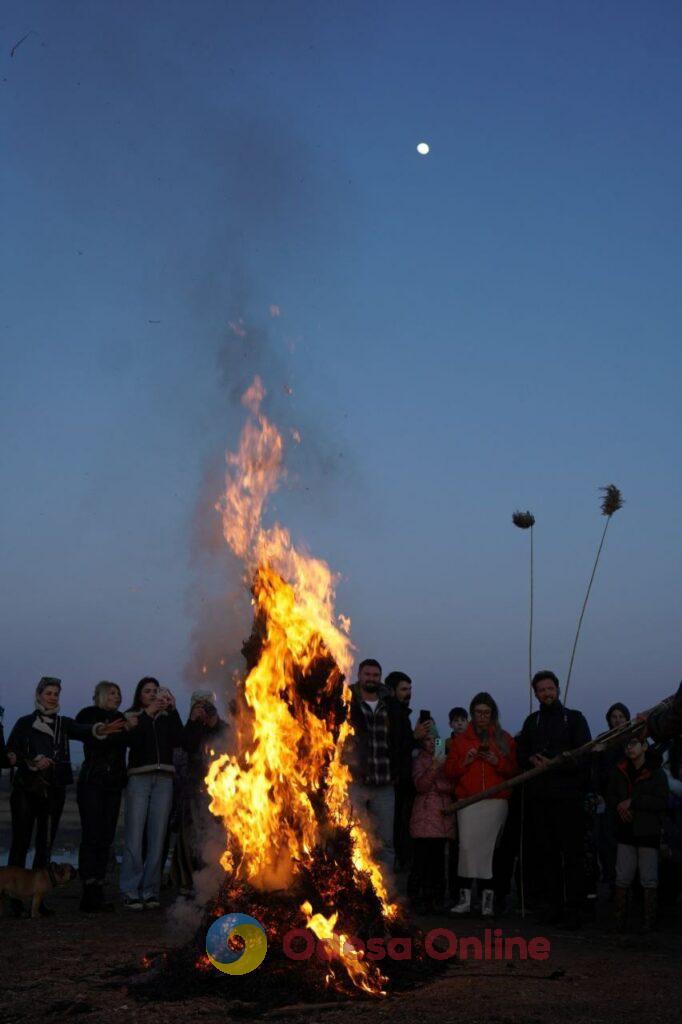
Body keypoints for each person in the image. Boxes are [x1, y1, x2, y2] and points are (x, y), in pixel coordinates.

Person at [6, 677, 124, 890]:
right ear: (39, 695)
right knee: (20, 844)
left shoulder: (64, 723)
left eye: (56, 694)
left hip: (54, 791)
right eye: (48, 693)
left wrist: (101, 730)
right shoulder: (24, 723)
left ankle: (38, 895)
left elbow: (82, 729)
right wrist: (33, 760)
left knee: (46, 845)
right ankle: (12, 893)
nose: (52, 698)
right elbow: (10, 753)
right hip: (26, 790)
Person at [516, 670, 591, 928]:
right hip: (540, 800)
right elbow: (521, 751)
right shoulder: (532, 722)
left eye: (550, 688)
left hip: (568, 800)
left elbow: (585, 756)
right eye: (541, 690)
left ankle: (575, 909)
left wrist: (556, 763)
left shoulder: (575, 719)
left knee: (572, 855)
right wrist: (531, 759)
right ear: (535, 693)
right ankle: (553, 906)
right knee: (545, 854)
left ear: (557, 689)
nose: (546, 693)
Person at [444, 692, 516, 917]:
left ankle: (488, 901)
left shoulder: (505, 739)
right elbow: (449, 771)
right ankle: (465, 900)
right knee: (466, 850)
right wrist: (466, 761)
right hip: (468, 801)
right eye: (478, 712)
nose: (482, 716)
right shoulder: (459, 741)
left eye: (486, 712)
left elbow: (514, 769)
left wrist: (498, 762)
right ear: (472, 713)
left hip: (496, 801)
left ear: (493, 713)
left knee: (490, 852)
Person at [345, 659, 414, 882]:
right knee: (353, 836)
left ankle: (386, 890)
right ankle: (354, 888)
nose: (371, 679)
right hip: (356, 782)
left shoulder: (391, 706)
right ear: (359, 675)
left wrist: (398, 773)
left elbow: (403, 742)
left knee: (385, 841)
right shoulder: (347, 701)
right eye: (368, 674)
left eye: (376, 675)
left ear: (380, 678)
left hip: (385, 784)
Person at [119, 677, 183, 911]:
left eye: (156, 691)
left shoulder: (167, 717)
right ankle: (129, 890)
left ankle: (150, 890)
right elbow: (131, 741)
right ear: (139, 695)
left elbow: (180, 740)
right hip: (139, 778)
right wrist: (146, 715)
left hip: (164, 779)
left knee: (158, 838)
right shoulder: (132, 716)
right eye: (147, 691)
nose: (153, 694)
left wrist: (174, 710)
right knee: (135, 836)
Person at [75, 681, 137, 912]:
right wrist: (116, 730)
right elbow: (91, 737)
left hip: (113, 785)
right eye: (112, 693)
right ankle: (88, 891)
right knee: (91, 835)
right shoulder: (88, 714)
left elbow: (129, 742)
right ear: (100, 694)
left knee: (106, 836)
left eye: (119, 693)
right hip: (92, 782)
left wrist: (129, 729)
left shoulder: (122, 718)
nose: (117, 697)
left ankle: (98, 888)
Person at [608, 733, 668, 932]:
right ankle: (619, 920)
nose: (629, 748)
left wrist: (633, 802)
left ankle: (649, 921)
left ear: (644, 746)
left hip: (647, 831)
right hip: (626, 830)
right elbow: (612, 795)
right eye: (627, 744)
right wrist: (620, 806)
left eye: (634, 744)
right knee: (622, 876)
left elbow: (661, 801)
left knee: (649, 878)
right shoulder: (620, 770)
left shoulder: (656, 773)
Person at [170, 689, 228, 895]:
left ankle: (212, 879)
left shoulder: (220, 727)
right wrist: (195, 721)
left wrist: (213, 720)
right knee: (190, 837)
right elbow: (187, 744)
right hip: (192, 789)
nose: (203, 708)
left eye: (207, 704)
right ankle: (187, 881)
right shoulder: (190, 727)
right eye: (199, 704)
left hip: (218, 791)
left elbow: (229, 740)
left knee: (214, 836)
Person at [409, 734, 456, 912]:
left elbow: (451, 785)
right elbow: (420, 785)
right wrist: (435, 768)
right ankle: (417, 897)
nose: (431, 743)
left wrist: (436, 779)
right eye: (427, 739)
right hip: (424, 816)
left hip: (443, 817)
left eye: (435, 739)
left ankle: (437, 898)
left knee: (438, 862)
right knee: (421, 860)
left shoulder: (448, 759)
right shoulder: (419, 760)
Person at [595, 702, 631, 890]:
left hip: (627, 798)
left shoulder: (633, 739)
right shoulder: (603, 740)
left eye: (621, 717)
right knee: (606, 842)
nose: (617, 720)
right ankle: (610, 880)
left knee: (626, 842)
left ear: (627, 719)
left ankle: (626, 884)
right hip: (606, 798)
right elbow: (596, 769)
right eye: (614, 716)